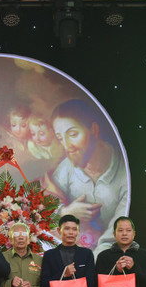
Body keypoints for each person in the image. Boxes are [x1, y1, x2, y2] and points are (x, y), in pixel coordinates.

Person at [45, 99, 128, 255]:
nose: (67, 145)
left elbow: (116, 233)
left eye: (73, 134)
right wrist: (66, 212)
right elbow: (45, 209)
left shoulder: (123, 173)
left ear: (94, 130)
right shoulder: (67, 168)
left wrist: (91, 267)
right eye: (60, 138)